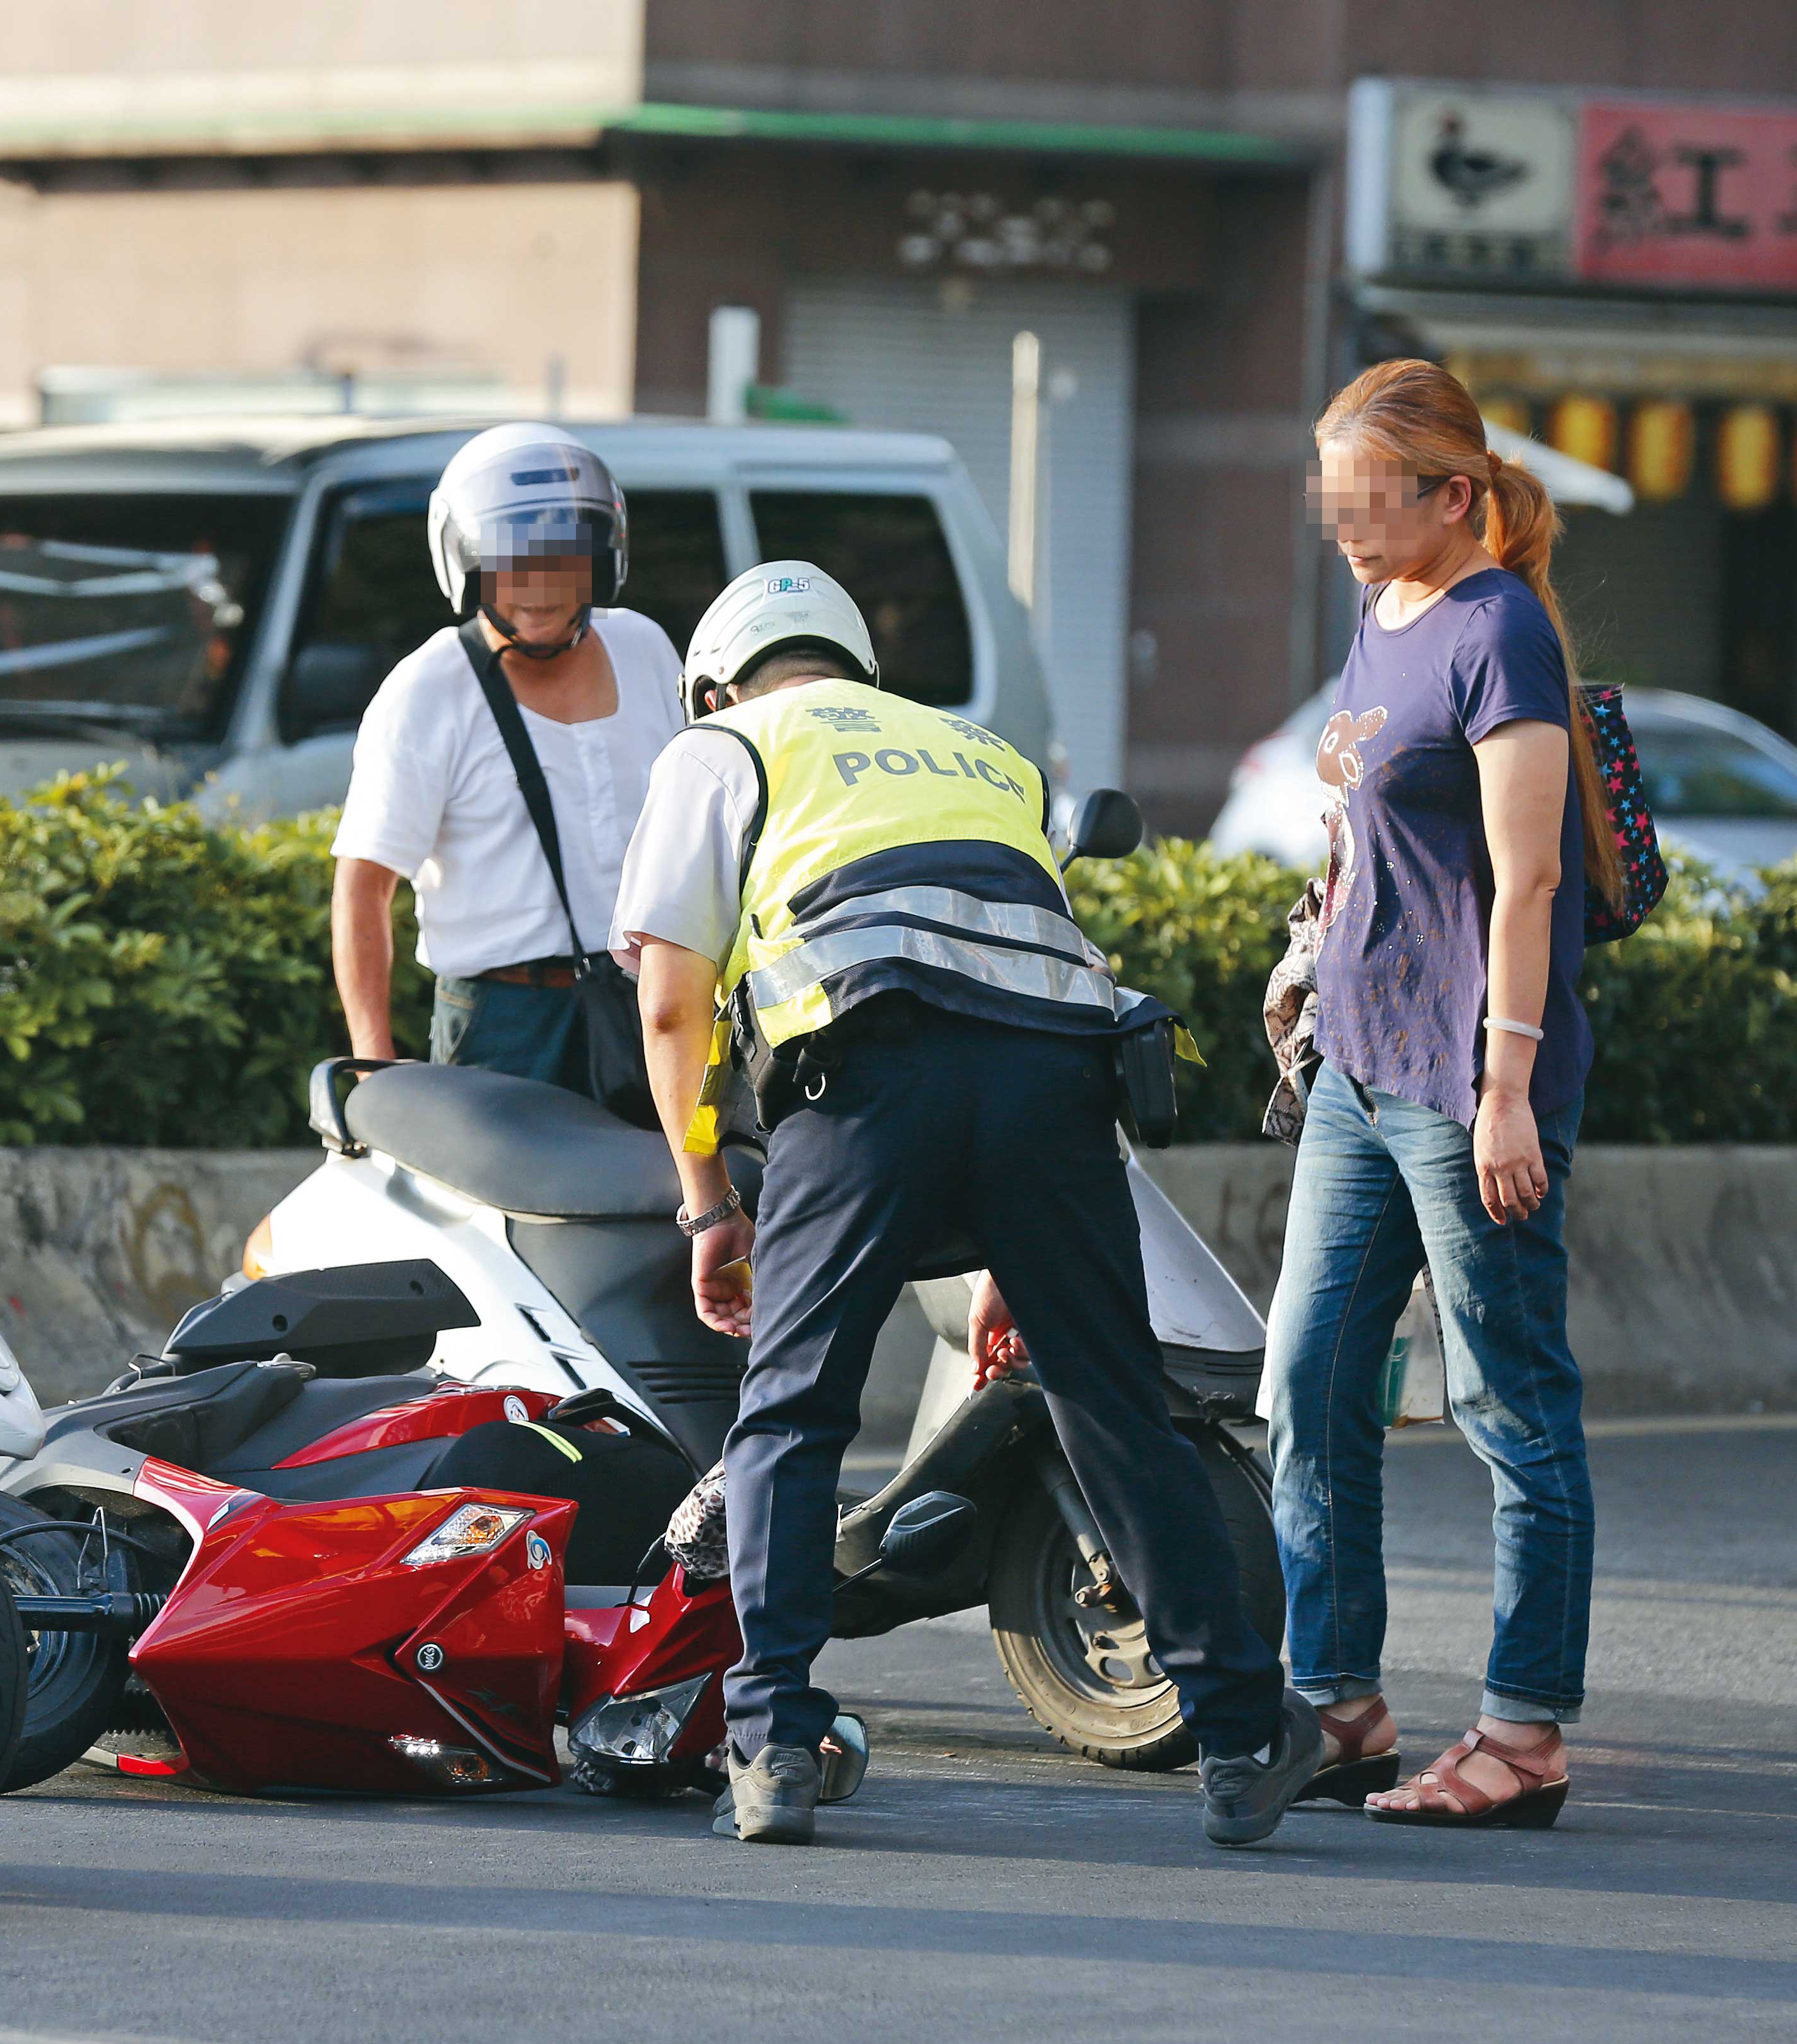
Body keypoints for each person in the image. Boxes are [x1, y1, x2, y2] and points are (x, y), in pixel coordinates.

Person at [614, 560, 1317, 1848]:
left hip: (865, 1075)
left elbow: (670, 996)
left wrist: (708, 1201)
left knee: (791, 1409)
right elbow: (1011, 959)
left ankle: (772, 1745)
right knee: (1113, 1402)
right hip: (1056, 1087)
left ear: (713, 683)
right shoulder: (984, 754)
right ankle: (1238, 1733)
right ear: (854, 669)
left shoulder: (721, 746)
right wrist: (1005, 1250)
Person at [1269, 359, 1613, 1829]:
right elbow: (1370, 838)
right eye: (1328, 501)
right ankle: (1334, 1701)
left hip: (1459, 1074)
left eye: (1365, 499)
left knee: (1507, 1404)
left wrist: (1505, 1086)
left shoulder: (1497, 631)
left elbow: (1527, 878)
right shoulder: (1383, 608)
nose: (1339, 525)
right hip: (1354, 1059)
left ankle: (1521, 1734)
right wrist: (1303, 955)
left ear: (1449, 494)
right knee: (1306, 1380)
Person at [331, 424, 682, 1103]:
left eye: (563, 560)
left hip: (651, 1005)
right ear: (466, 562)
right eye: (513, 562)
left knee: (667, 1208)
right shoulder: (429, 688)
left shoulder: (646, 650)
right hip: (502, 1024)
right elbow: (363, 887)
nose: (541, 587)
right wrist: (375, 1074)